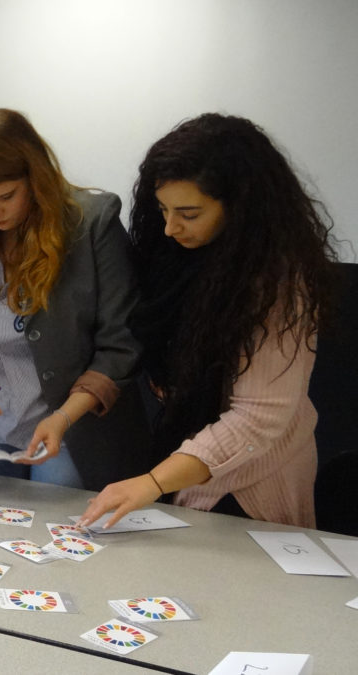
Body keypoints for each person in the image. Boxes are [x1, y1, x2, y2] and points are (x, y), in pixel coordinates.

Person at [79, 114, 336, 529]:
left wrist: (152, 481)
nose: (170, 227)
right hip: (185, 460)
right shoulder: (179, 257)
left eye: (189, 213)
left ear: (241, 206)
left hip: (253, 484)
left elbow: (259, 416)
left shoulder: (280, 283)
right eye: (163, 209)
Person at [0, 109, 150, 490]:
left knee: (55, 529)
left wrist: (64, 418)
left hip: (73, 427)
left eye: (6, 196)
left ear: (36, 178)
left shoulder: (90, 222)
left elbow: (120, 345)